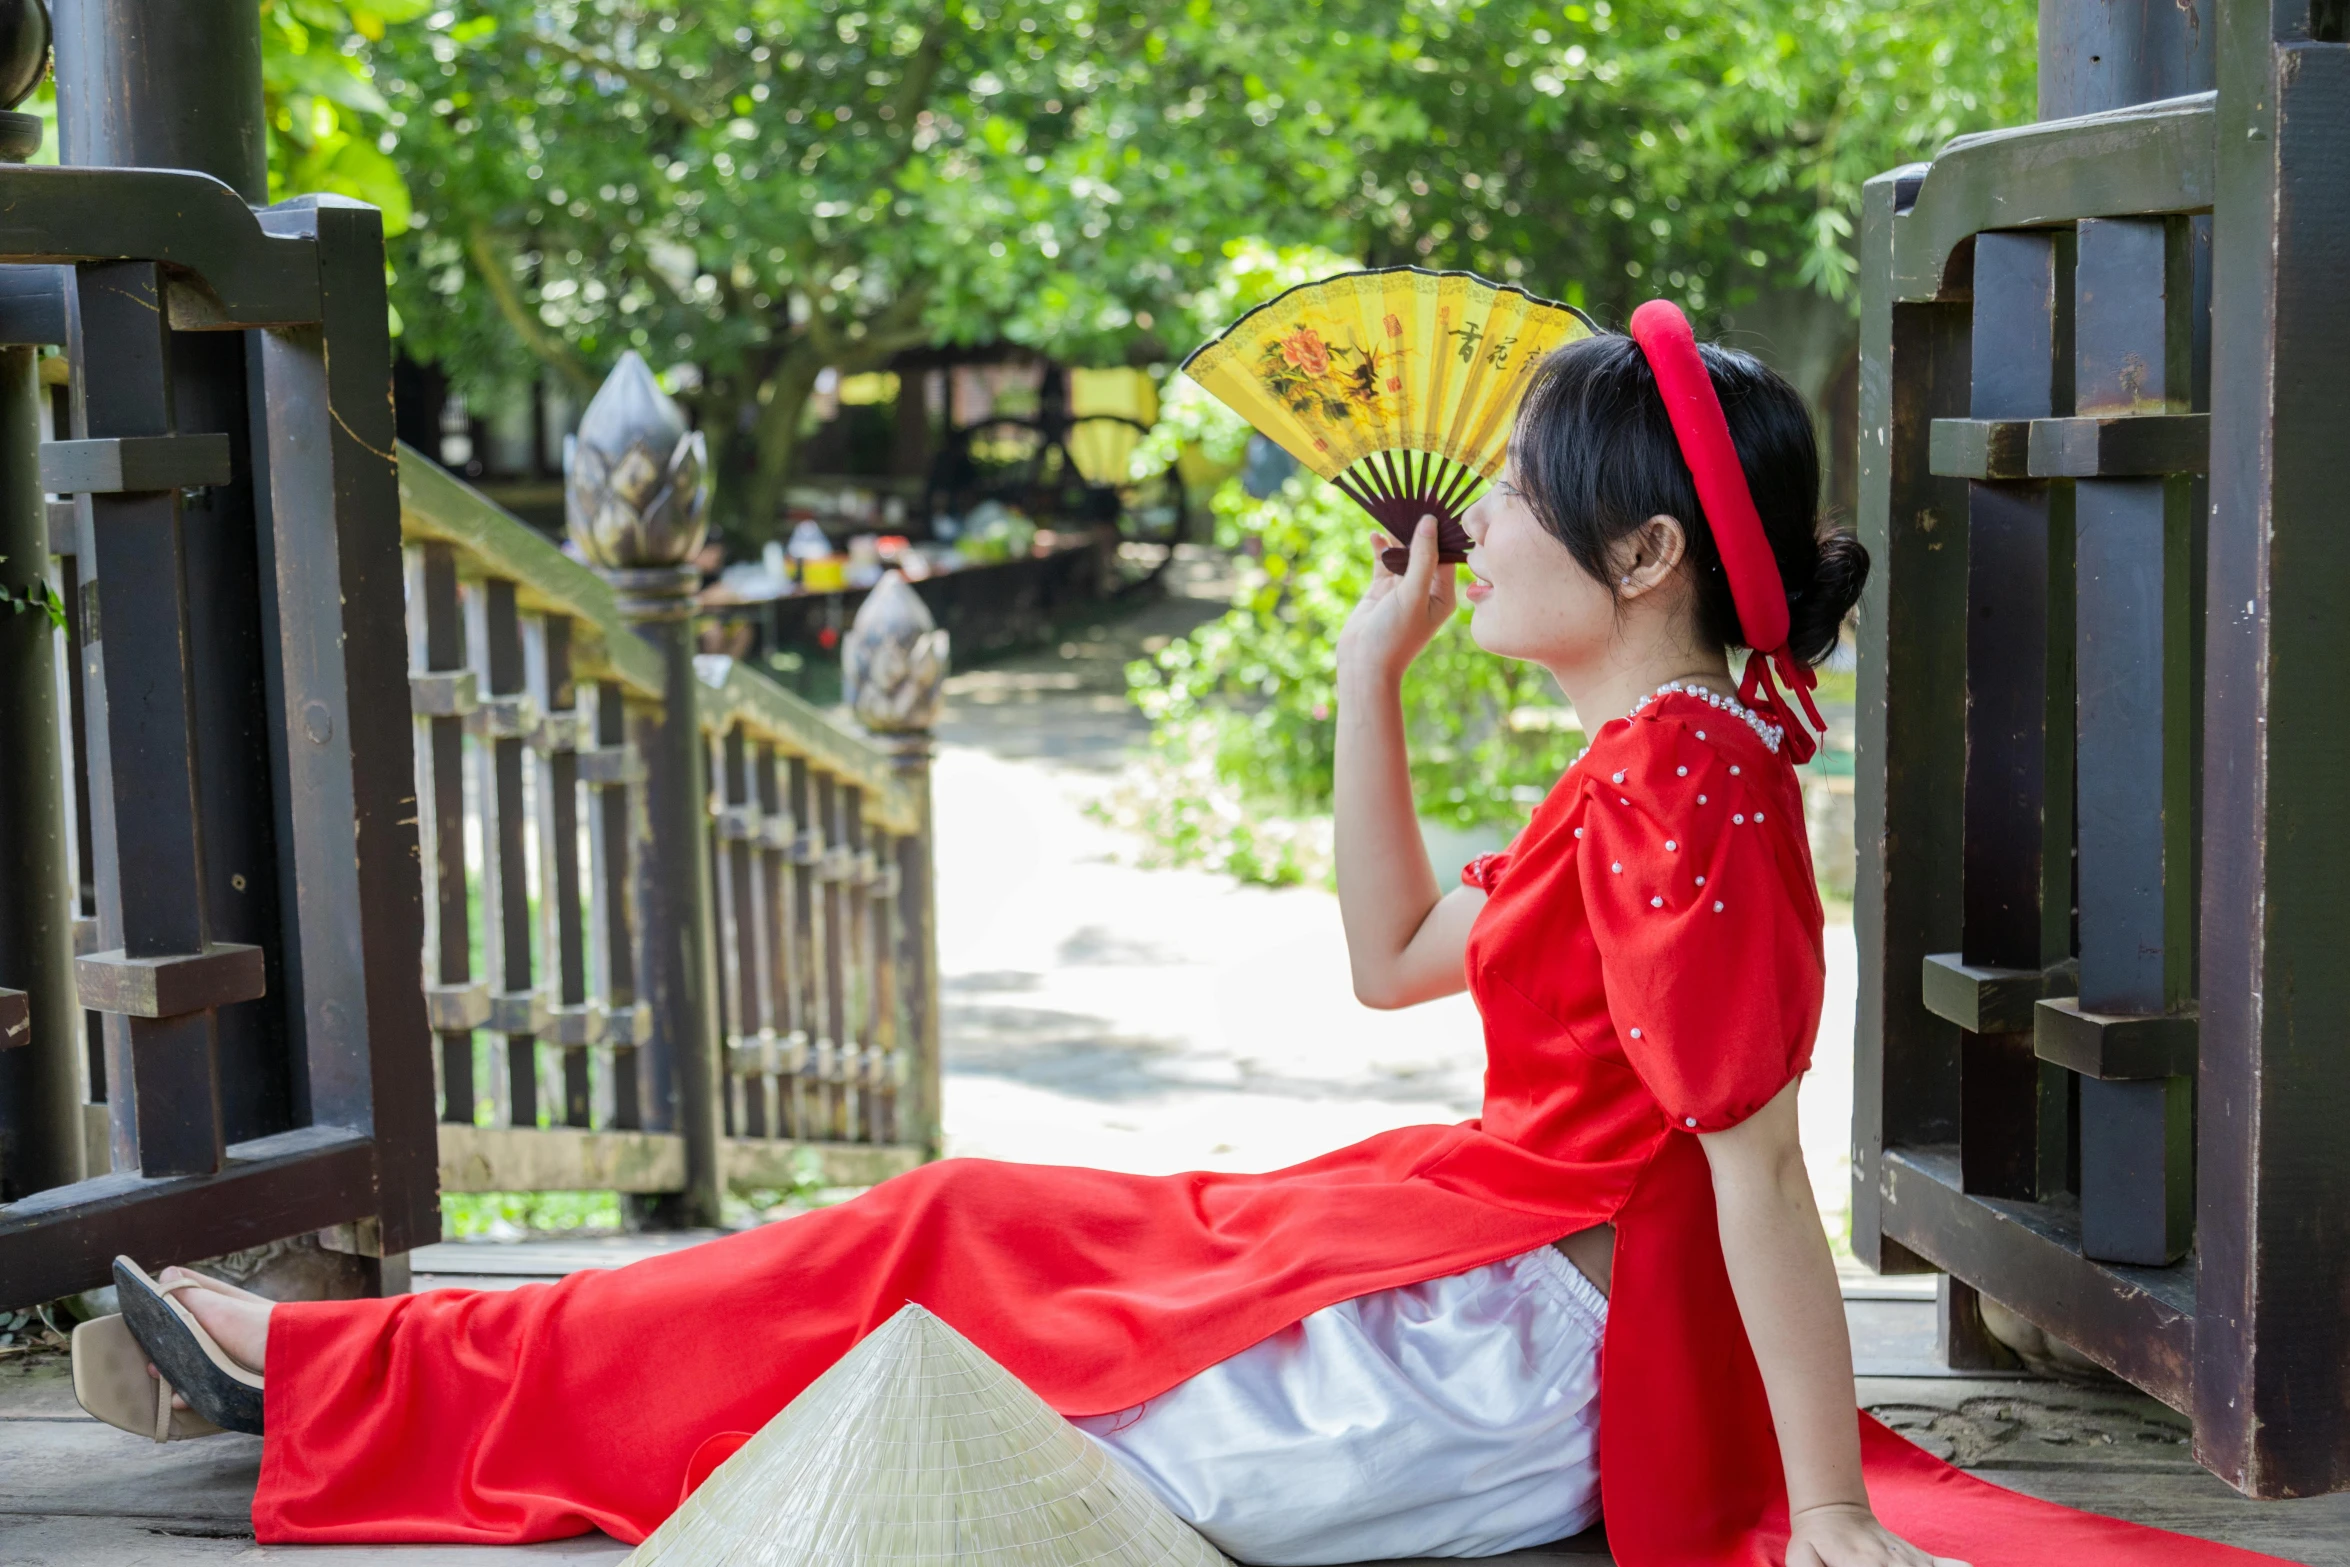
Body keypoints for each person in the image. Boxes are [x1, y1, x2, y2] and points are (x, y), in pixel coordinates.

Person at [97, 304, 2273, 1567]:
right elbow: (1396, 959)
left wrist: (1813, 1516)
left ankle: (324, 1390)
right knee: (925, 1244)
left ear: (1633, 551)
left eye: (1513, 500)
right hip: (1453, 1253)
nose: (1476, 524)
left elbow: (1745, 1174)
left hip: (1515, 1344)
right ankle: (323, 1385)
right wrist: (1362, 678)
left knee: (907, 1305)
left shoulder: (1692, 777)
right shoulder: (1660, 760)